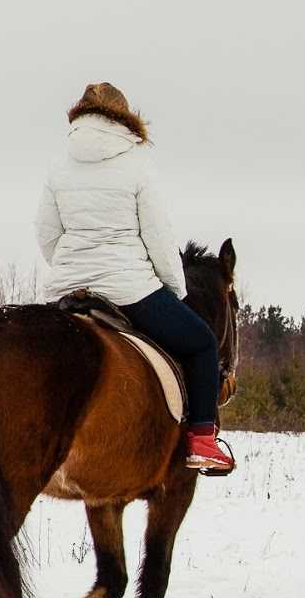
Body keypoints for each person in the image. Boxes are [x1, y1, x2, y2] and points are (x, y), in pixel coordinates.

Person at [35, 82, 233, 472]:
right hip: (130, 289)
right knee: (202, 344)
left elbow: (46, 233)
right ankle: (202, 440)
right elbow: (158, 238)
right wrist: (174, 291)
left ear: (81, 116)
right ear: (124, 119)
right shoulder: (137, 163)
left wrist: (71, 269)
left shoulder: (59, 165)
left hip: (67, 288)